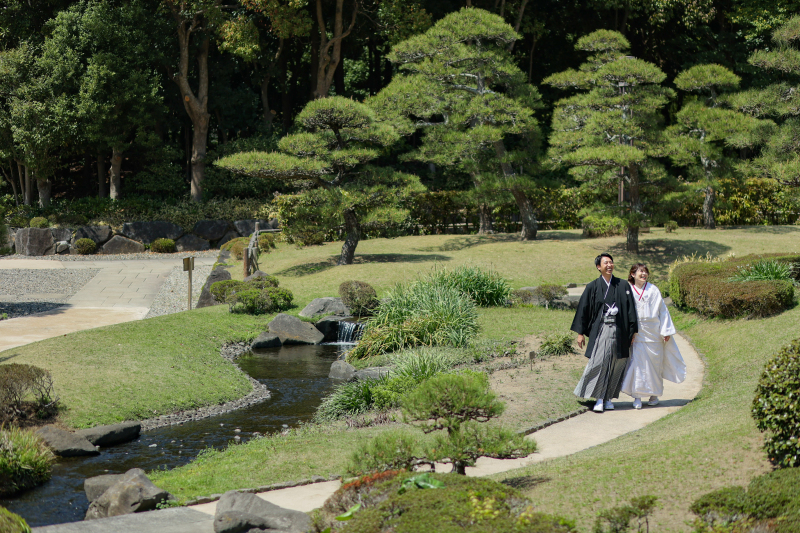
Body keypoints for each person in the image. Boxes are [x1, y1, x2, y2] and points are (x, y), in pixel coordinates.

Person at [571, 253, 638, 413]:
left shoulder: (623, 285)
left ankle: (608, 398)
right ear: (598, 267)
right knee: (599, 362)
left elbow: (630, 309)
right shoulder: (592, 286)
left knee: (617, 364)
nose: (609, 265)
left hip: (620, 329)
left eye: (611, 262)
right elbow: (583, 310)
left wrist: (633, 331)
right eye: (605, 263)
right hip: (602, 329)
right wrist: (580, 333)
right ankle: (599, 398)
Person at [621, 263, 687, 409]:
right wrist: (628, 332)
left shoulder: (653, 289)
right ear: (632, 274)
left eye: (645, 272)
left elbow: (663, 311)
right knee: (638, 364)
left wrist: (666, 331)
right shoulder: (628, 289)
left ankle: (654, 394)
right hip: (638, 332)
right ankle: (637, 396)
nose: (643, 274)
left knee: (655, 365)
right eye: (640, 272)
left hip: (654, 332)